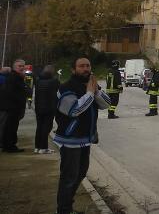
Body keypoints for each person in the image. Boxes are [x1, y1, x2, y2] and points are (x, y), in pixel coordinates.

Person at [54, 57, 110, 214]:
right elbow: (73, 110)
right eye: (81, 66)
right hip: (70, 140)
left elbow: (106, 104)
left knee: (80, 174)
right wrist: (90, 94)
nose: (86, 69)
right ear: (73, 69)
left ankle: (68, 206)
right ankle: (63, 210)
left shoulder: (91, 86)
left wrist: (96, 91)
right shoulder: (66, 88)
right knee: (69, 178)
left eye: (88, 65)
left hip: (85, 140)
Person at [1, 59, 32, 152]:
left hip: (13, 106)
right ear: (14, 67)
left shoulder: (17, 77)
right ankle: (10, 146)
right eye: (19, 66)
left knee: (10, 127)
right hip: (13, 107)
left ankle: (7, 145)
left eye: (23, 66)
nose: (22, 68)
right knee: (11, 127)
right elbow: (13, 92)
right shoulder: (14, 77)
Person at [34, 65, 59, 154]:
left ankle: (37, 147)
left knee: (39, 127)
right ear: (52, 72)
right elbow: (59, 90)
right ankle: (43, 148)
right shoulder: (54, 81)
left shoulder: (38, 80)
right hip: (49, 107)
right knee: (47, 127)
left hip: (38, 107)